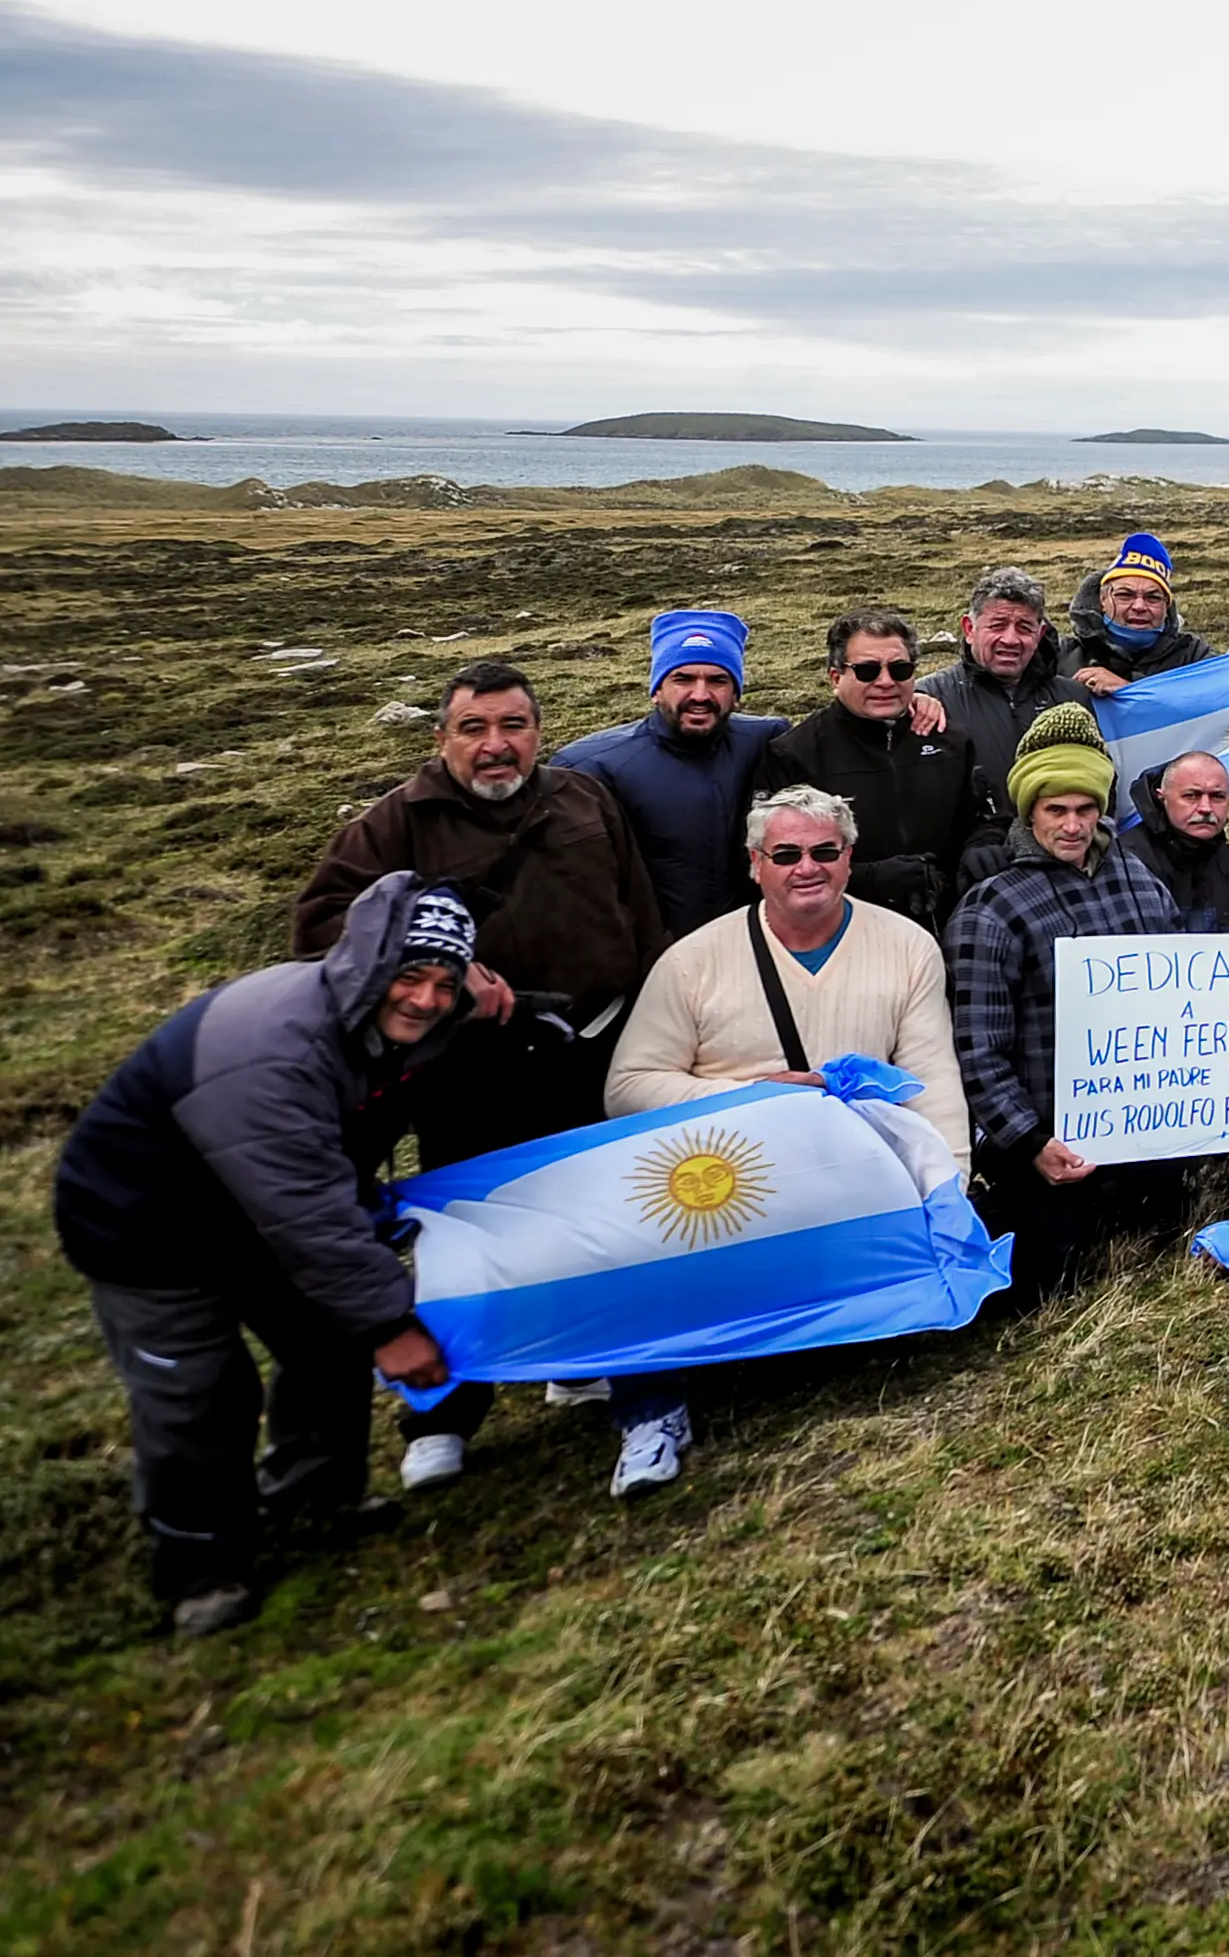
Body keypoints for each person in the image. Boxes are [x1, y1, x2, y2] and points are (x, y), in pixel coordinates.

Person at [57, 875, 474, 1636]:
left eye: (446, 985)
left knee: (327, 1341)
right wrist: (391, 1325)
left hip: (257, 1214)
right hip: (146, 1228)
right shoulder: (275, 1049)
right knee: (201, 1394)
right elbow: (306, 1211)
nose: (426, 1000)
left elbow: (302, 1203)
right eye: (411, 976)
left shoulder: (364, 1014)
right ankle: (201, 1567)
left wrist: (503, 1003)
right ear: (371, 965)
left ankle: (314, 1498)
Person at [600, 785, 969, 1496]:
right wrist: (754, 1095)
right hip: (729, 1183)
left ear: (850, 857)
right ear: (754, 864)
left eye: (825, 851)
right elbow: (630, 1085)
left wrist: (950, 1188)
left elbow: (931, 1078)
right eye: (787, 854)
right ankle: (651, 1415)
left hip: (853, 1179)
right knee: (633, 1246)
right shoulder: (693, 961)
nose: (808, 867)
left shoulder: (907, 946)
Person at [296, 658, 670, 1164]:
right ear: (441, 739)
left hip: (602, 1048)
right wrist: (436, 965)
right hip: (468, 1074)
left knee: (613, 1189)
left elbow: (640, 909)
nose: (495, 745)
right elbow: (320, 929)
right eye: (472, 728)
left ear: (537, 732)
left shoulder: (584, 796)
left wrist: (656, 1013)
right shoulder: (392, 825)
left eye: (513, 725)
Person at [947, 706, 1188, 1300]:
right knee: (1046, 1288)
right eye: (1057, 810)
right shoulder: (991, 907)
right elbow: (978, 1051)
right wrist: (1030, 1143)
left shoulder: (1140, 880)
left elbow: (1187, 985)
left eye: (1086, 809)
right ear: (1029, 811)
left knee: (1168, 1248)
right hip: (1049, 1139)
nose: (1074, 826)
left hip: (1142, 1121)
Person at [552, 609, 791, 937]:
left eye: (718, 680)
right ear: (656, 690)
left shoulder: (767, 741)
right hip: (653, 954)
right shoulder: (590, 766)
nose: (700, 695)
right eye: (683, 679)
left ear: (736, 694)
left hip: (752, 943)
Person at [751, 609, 984, 929]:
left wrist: (980, 850)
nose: (885, 682)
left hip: (949, 922)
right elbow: (765, 861)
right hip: (840, 929)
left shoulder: (952, 741)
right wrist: (871, 879)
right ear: (836, 678)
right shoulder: (794, 754)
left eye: (900, 669)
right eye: (867, 671)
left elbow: (984, 817)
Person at [917, 566, 1091, 869]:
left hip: (1065, 861)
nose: (1010, 639)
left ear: (1039, 634)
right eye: (997, 625)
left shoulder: (1074, 697)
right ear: (969, 628)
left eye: (1024, 628)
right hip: (972, 869)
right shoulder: (929, 699)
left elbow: (1101, 781)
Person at [1118, 750, 1229, 934]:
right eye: (1191, 796)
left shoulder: (1228, 861)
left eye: (1217, 796)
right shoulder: (1126, 860)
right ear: (1162, 798)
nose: (1206, 808)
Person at [1066, 532, 1217, 694]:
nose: (1139, 606)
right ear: (1103, 600)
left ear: (1166, 606)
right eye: (1125, 595)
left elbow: (1213, 701)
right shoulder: (1062, 657)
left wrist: (1129, 690)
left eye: (1153, 597)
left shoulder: (1194, 656)